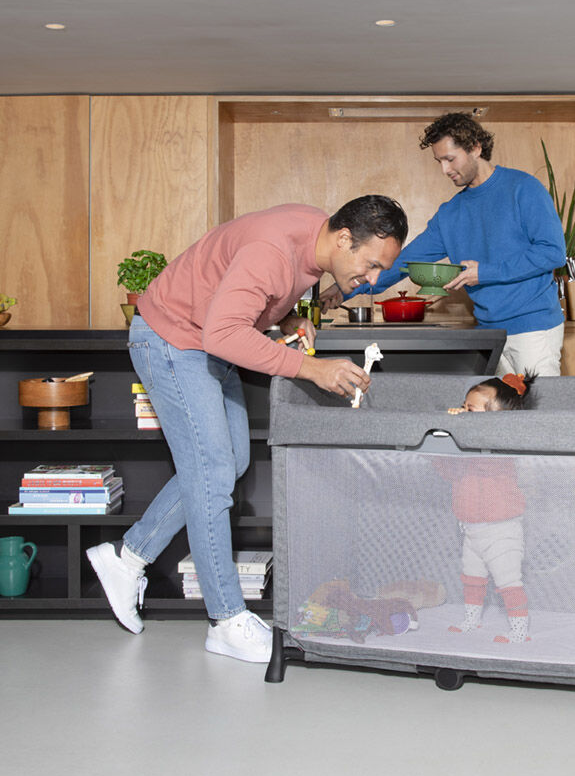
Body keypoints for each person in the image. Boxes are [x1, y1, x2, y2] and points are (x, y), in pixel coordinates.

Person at [86, 196, 408, 663]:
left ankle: (127, 558)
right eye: (372, 264)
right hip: (174, 339)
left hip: (206, 340)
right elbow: (225, 330)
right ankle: (226, 620)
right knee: (214, 471)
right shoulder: (272, 253)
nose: (374, 279)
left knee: (230, 461)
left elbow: (242, 298)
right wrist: (310, 369)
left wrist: (287, 317)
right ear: (343, 239)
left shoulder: (312, 236)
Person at [321, 113, 567, 376]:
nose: (445, 170)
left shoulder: (523, 188)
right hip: (489, 333)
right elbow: (404, 262)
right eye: (439, 161)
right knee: (493, 415)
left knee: (541, 414)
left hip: (534, 329)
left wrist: (484, 273)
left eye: (450, 159)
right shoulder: (450, 214)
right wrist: (344, 289)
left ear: (475, 148)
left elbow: (553, 252)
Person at [436, 372, 535, 643]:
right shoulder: (465, 448)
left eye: (471, 410)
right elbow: (448, 471)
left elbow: (481, 463)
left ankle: (519, 629)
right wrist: (446, 439)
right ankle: (472, 619)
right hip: (470, 528)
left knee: (508, 581)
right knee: (472, 577)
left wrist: (459, 434)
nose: (464, 412)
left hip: (501, 530)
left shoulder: (501, 449)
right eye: (464, 406)